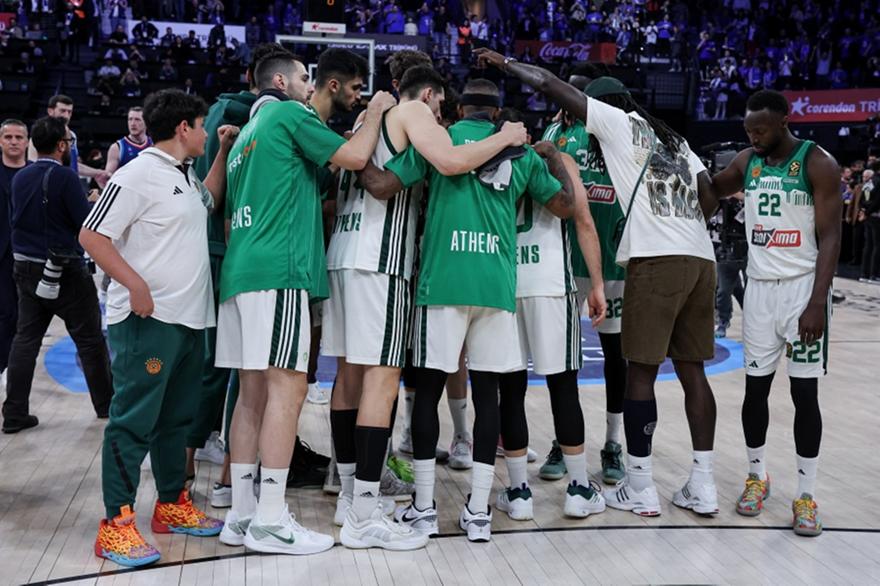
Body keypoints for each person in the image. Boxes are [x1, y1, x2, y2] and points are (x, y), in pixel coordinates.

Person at [477, 48, 721, 518]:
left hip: (653, 259)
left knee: (639, 373)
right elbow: (709, 194)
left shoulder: (616, 123)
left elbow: (548, 83)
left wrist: (506, 64)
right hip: (699, 256)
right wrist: (680, 224)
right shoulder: (675, 140)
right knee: (693, 372)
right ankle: (703, 484)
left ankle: (640, 486)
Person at [361, 78, 574, 542]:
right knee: (489, 396)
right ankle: (478, 511)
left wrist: (360, 140)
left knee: (428, 391)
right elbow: (564, 205)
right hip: (495, 286)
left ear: (459, 110)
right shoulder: (521, 153)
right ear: (497, 114)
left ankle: (423, 507)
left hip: (443, 281)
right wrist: (553, 155)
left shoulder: (437, 141)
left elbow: (380, 184)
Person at [325, 66, 527, 550]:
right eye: (439, 108)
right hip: (387, 262)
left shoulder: (365, 125)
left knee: (350, 376)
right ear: (431, 95)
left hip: (346, 253)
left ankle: (354, 496)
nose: (439, 119)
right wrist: (508, 139)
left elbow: (361, 176)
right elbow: (448, 164)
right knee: (385, 379)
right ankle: (368, 511)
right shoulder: (415, 115)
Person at [215, 48, 397, 555]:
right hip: (279, 271)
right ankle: (272, 519)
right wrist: (376, 111)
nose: (307, 85)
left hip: (240, 271)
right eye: (302, 78)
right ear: (281, 82)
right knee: (288, 390)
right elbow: (355, 158)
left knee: (251, 395)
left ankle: (242, 514)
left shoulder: (247, 135)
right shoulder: (289, 114)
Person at [81, 89, 237, 567]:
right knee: (133, 421)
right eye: (203, 125)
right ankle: (116, 525)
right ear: (183, 128)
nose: (206, 132)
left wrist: (223, 152)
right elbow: (91, 235)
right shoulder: (136, 175)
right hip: (148, 321)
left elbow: (208, 200)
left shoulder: (183, 174)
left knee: (177, 420)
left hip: (188, 320)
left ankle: (170, 504)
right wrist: (135, 285)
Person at [702, 90, 842, 537]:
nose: (754, 137)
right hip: (760, 289)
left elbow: (832, 236)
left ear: (784, 121)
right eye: (749, 131)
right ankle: (756, 476)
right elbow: (712, 192)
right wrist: (685, 166)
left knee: (805, 395)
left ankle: (806, 495)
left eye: (760, 130)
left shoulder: (818, 163)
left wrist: (817, 302)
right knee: (755, 391)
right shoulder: (747, 161)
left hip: (803, 289)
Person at [184, 42, 305, 512]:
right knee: (247, 375)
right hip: (238, 247)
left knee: (214, 366)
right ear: (274, 79)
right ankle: (232, 482)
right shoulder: (258, 114)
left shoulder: (219, 112)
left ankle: (191, 474)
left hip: (213, 247)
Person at [493, 108, 608, 522]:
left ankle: (519, 492)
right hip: (550, 285)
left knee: (511, 390)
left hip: (506, 284)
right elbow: (584, 222)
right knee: (563, 388)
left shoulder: (489, 159)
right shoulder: (559, 161)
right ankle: (578, 489)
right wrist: (596, 283)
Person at [537, 65, 628, 487]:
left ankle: (613, 443)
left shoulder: (624, 136)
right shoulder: (557, 134)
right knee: (563, 359)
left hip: (614, 263)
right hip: (562, 264)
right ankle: (563, 440)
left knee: (616, 358)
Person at [3, 116, 113, 434]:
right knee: (90, 340)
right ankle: (106, 405)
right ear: (62, 145)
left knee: (25, 340)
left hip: (25, 267)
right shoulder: (65, 177)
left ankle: (14, 413)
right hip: (64, 269)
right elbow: (85, 224)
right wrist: (94, 203)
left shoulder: (21, 177)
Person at [0, 120, 29, 389]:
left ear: (27, 142)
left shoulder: (35, 173)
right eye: (8, 136)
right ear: (0, 141)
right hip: (2, 256)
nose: (13, 141)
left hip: (29, 256)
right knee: (6, 314)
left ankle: (13, 368)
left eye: (18, 137)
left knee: (23, 318)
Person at [27, 95, 110, 186]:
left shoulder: (72, 135)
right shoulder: (39, 136)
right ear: (50, 111)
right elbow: (34, 169)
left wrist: (98, 173)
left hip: (69, 185)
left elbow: (74, 165)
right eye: (62, 111)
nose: (66, 116)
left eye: (69, 112)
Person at [104, 107, 152, 175]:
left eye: (137, 120)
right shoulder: (117, 148)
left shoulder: (154, 144)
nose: (133, 123)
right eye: (130, 119)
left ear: (146, 122)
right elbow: (108, 177)